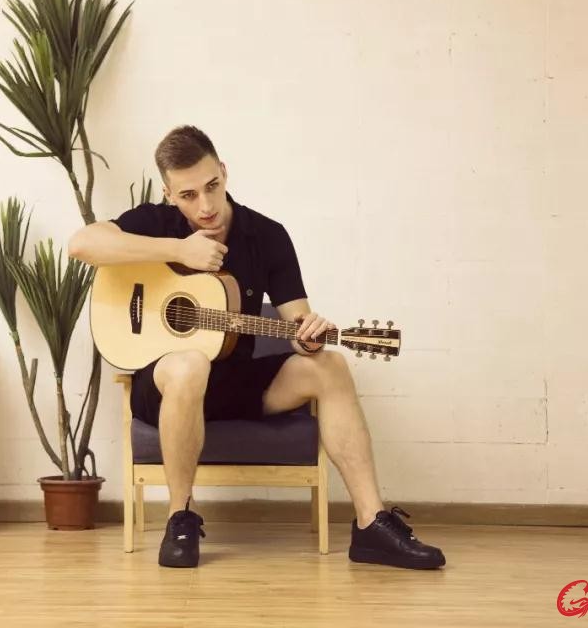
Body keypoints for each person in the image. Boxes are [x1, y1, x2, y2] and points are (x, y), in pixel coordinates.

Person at [68, 125, 445, 570]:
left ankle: (371, 525)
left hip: (235, 381)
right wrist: (179, 250)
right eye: (188, 195)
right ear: (169, 194)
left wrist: (309, 334)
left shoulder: (266, 236)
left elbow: (297, 318)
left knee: (330, 366)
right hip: (166, 384)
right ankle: (180, 517)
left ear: (224, 171)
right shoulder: (156, 222)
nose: (205, 206)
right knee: (190, 363)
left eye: (212, 186)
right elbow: (81, 245)